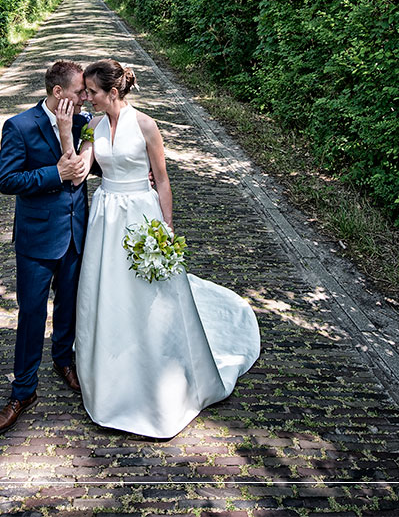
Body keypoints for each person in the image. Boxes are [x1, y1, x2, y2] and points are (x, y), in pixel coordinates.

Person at [55, 59, 260, 438]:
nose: (87, 98)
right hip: (106, 218)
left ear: (112, 92)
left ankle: (160, 373)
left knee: (151, 297)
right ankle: (111, 377)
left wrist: (166, 228)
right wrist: (68, 133)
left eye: (93, 93)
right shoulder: (93, 126)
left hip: (142, 214)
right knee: (109, 294)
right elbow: (79, 171)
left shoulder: (147, 126)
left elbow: (163, 181)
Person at [0, 60, 91, 434]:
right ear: (58, 93)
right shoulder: (19, 126)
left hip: (77, 231)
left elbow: (97, 164)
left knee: (70, 304)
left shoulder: (82, 124)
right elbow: (7, 179)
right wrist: (55, 174)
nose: (86, 97)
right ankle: (23, 390)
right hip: (36, 239)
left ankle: (63, 359)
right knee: (31, 313)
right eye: (81, 91)